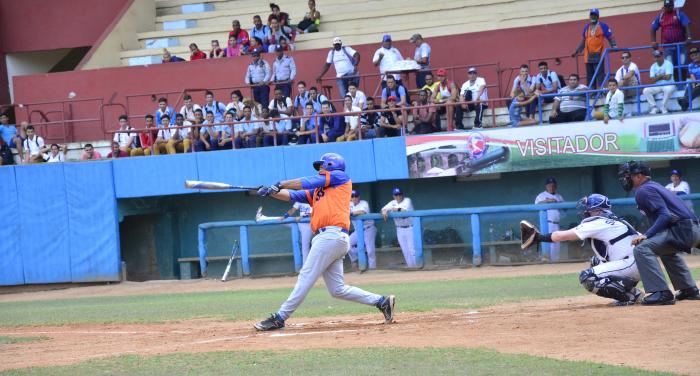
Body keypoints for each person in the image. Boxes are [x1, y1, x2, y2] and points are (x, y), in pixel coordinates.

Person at [253, 153, 396, 331]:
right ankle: (381, 301)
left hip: (330, 236)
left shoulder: (340, 177)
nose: (320, 169)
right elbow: (293, 195)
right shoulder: (321, 191)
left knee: (306, 276)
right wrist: (270, 192)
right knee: (337, 289)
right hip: (332, 238)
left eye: (321, 165)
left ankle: (280, 317)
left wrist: (280, 183)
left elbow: (306, 181)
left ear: (331, 164)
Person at [525, 194, 643, 306]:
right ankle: (632, 292)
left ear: (598, 211)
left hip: (631, 264)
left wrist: (538, 237)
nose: (585, 212)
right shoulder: (617, 220)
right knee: (595, 261)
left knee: (588, 277)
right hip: (636, 263)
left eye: (588, 209)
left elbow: (561, 236)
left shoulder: (598, 222)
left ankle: (631, 296)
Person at [619, 160, 700, 305]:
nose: (626, 179)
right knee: (665, 250)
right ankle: (688, 289)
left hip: (683, 231)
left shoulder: (643, 190)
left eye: (628, 175)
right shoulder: (654, 186)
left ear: (638, 176)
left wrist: (647, 235)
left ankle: (661, 293)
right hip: (691, 229)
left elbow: (665, 215)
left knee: (641, 249)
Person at [572, 8, 617, 88]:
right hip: (588, 56)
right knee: (590, 75)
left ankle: (600, 92)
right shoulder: (586, 27)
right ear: (589, 16)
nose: (593, 16)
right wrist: (576, 51)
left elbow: (610, 37)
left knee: (599, 74)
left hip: (599, 55)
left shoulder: (603, 25)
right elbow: (583, 40)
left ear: (598, 16)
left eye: (595, 15)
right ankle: (592, 93)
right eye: (591, 15)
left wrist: (614, 46)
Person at [650, 0, 692, 72]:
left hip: (680, 45)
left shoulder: (679, 14)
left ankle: (683, 83)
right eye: (666, 6)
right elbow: (653, 28)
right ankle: (674, 83)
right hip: (668, 46)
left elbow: (686, 25)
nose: (667, 8)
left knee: (682, 65)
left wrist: (689, 37)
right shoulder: (660, 17)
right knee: (670, 66)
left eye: (669, 6)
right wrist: (653, 41)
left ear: (673, 6)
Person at [382, 187, 416, 268]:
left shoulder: (407, 200)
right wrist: (384, 210)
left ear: (402, 195)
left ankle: (417, 267)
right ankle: (411, 268)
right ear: (393, 196)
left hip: (410, 228)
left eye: (400, 194)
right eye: (396, 195)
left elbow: (404, 211)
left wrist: (391, 209)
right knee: (405, 251)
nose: (398, 196)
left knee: (413, 250)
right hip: (399, 229)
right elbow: (383, 210)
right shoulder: (392, 202)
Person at [535, 177, 564, 262]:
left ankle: (555, 262)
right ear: (546, 186)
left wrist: (556, 202)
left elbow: (565, 208)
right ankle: (547, 261)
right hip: (547, 224)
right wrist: (548, 201)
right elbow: (537, 205)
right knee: (548, 243)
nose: (551, 187)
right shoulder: (541, 195)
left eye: (553, 185)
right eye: (550, 185)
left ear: (556, 186)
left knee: (556, 243)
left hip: (556, 224)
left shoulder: (559, 196)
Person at [349, 190, 377, 269]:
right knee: (346, 244)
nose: (354, 198)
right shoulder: (348, 204)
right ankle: (354, 259)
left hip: (369, 229)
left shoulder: (364, 203)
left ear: (359, 197)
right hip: (357, 231)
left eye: (356, 196)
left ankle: (372, 269)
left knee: (370, 251)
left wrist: (350, 213)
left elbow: (362, 212)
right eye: (352, 196)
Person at [643, 50, 676, 115]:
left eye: (658, 56)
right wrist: (661, 76)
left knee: (668, 89)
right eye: (655, 57)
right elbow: (652, 80)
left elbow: (668, 77)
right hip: (658, 85)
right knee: (646, 90)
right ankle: (654, 107)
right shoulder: (653, 66)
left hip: (669, 84)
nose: (657, 58)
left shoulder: (668, 63)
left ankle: (663, 107)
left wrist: (657, 77)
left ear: (662, 56)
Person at [679, 47, 700, 111]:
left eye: (696, 55)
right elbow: (692, 75)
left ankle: (685, 102)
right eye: (692, 56)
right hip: (697, 82)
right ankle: (685, 104)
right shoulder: (690, 65)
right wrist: (694, 83)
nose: (694, 57)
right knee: (689, 86)